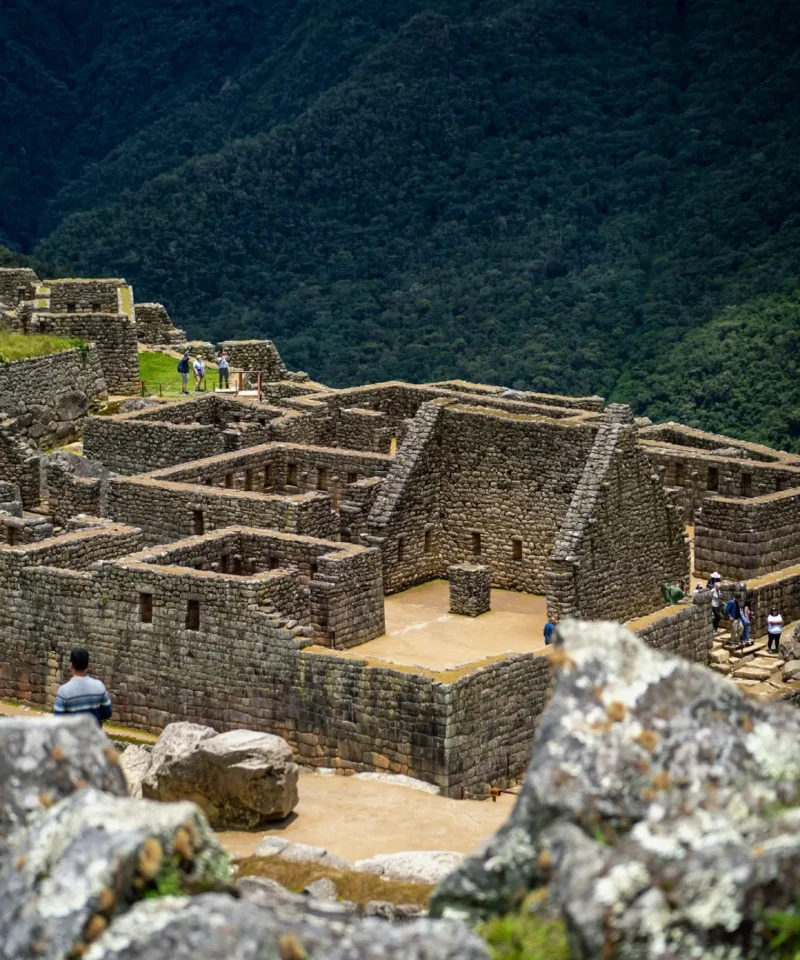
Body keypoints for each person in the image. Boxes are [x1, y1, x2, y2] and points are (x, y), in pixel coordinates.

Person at [53, 648, 112, 726]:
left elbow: (57, 720)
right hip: (94, 733)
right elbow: (108, 713)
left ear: (71, 666)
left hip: (72, 733)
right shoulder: (99, 686)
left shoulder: (64, 691)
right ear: (87, 665)